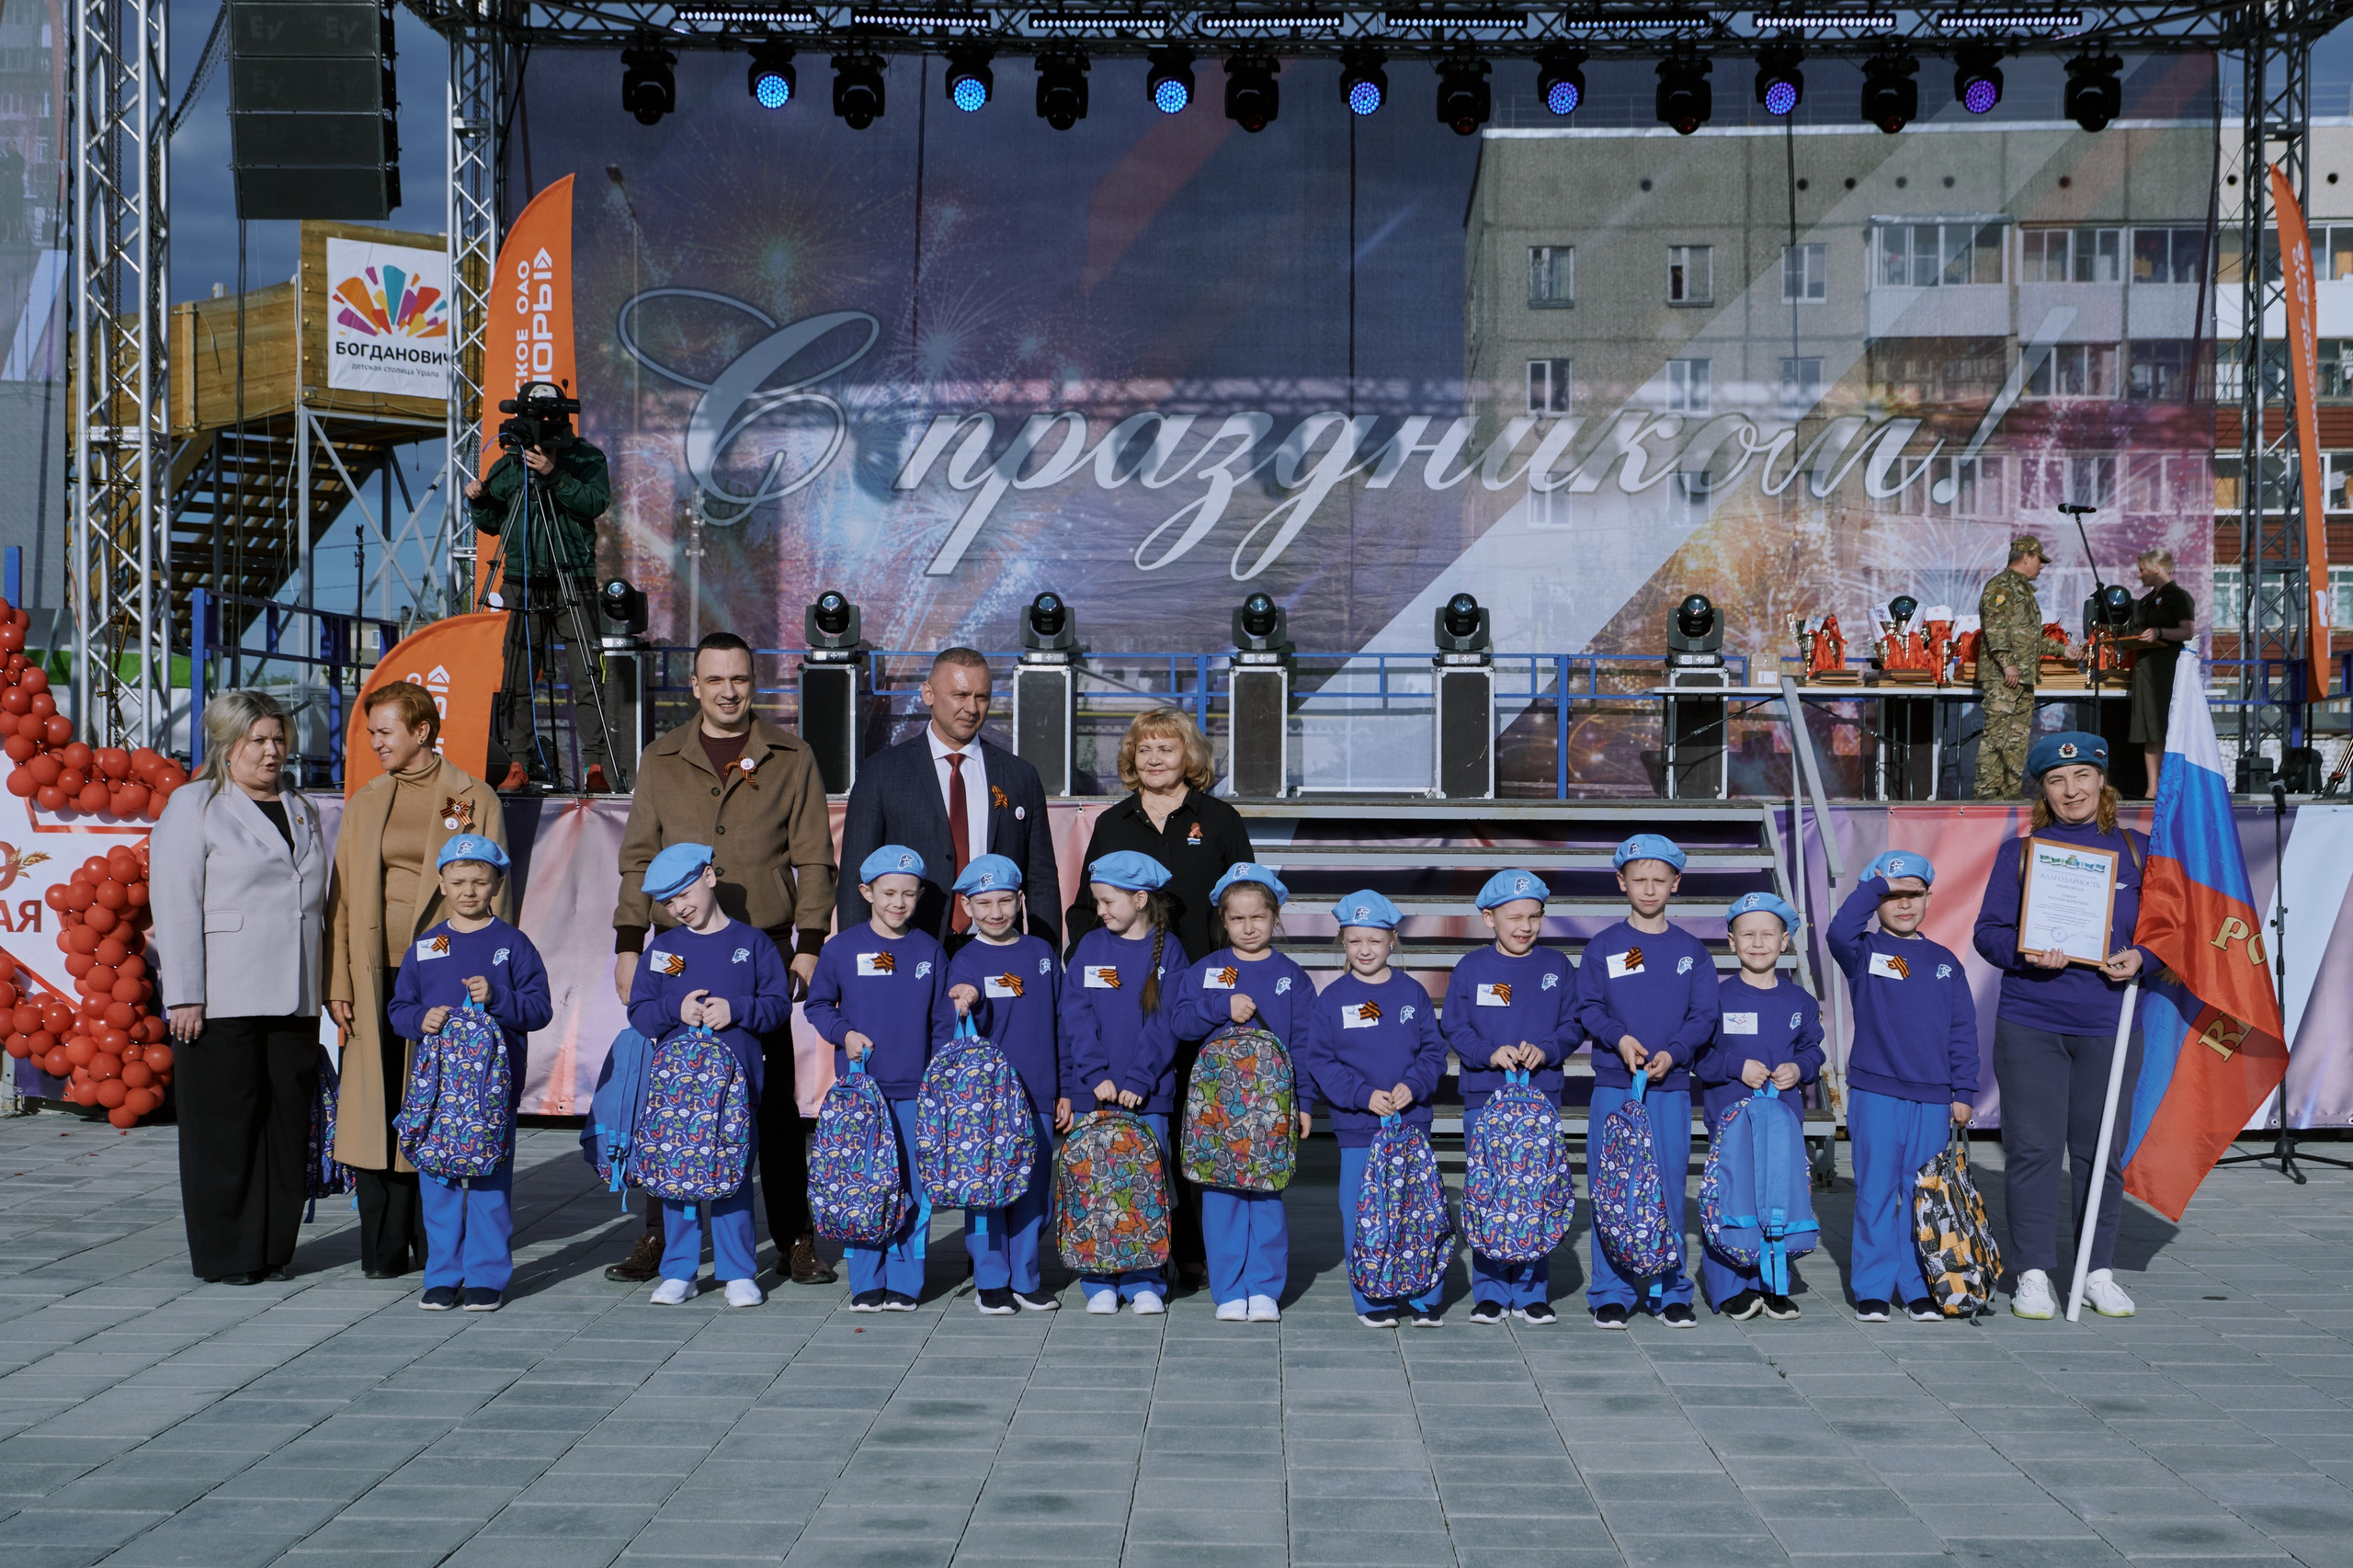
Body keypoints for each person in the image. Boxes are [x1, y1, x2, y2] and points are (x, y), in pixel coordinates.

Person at [611, 631, 837, 1288]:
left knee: (771, 1104)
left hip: (761, 947)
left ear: (754, 683)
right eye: (715, 681)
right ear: (695, 687)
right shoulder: (661, 758)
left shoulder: (792, 757)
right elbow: (636, 860)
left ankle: (795, 1237)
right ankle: (658, 1231)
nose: (729, 692)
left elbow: (815, 857)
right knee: (672, 1096)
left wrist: (810, 947)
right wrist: (629, 943)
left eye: (739, 679)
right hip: (675, 952)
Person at [1063, 706, 1254, 1288]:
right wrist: (1096, 963)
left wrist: (1231, 979)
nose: (1153, 758)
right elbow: (1082, 907)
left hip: (1198, 998)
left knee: (1192, 1128)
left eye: (1166, 749)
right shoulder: (1114, 822)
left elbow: (1243, 905)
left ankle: (1193, 1250)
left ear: (1189, 757)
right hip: (1127, 1003)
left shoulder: (1218, 820)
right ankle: (1133, 1243)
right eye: (1144, 748)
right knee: (1138, 1123)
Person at [325, 680, 508, 1279]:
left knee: (437, 1103)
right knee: (377, 1106)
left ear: (422, 731)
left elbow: (492, 892)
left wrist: (489, 979)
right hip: (374, 971)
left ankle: (440, 1248)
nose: (374, 742)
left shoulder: (467, 798)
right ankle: (382, 1248)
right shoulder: (367, 800)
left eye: (385, 731)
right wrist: (340, 983)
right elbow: (343, 901)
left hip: (445, 972)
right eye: (372, 732)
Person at [1970, 732, 2151, 1322]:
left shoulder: (2141, 850)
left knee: (2103, 1153)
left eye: (2082, 778)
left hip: (2109, 1022)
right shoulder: (2021, 852)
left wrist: (2144, 958)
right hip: (2032, 1021)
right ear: (2043, 790)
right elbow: (1987, 933)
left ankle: (2096, 1270)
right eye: (2056, 779)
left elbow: (2170, 935)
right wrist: (2027, 952)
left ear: (2103, 782)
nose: (2071, 790)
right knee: (2032, 1150)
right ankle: (2033, 1273)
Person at [150, 691, 329, 1286]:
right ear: (228, 747)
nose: (272, 750)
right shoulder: (195, 805)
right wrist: (184, 993)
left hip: (295, 995)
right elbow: (176, 902)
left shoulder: (301, 806)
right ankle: (229, 1253)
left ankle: (274, 1247)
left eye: (279, 739)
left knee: (284, 1125)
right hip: (221, 995)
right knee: (224, 1127)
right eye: (259, 740)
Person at [385, 835, 551, 1312]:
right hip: (434, 1091)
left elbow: (540, 1009)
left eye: (480, 881)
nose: (469, 890)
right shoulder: (427, 944)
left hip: (490, 1093)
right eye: (457, 881)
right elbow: (399, 1008)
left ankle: (487, 1276)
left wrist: (499, 997)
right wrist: (421, 1020)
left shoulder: (512, 944)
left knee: (488, 1184)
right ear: (440, 883)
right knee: (436, 1182)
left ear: (497, 885)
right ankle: (442, 1275)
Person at [628, 843, 795, 1307]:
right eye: (667, 902)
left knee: (734, 1176)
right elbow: (639, 1013)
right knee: (678, 1177)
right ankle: (679, 1271)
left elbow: (778, 1008)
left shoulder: (753, 944)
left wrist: (737, 1009)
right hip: (676, 1095)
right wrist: (673, 1009)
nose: (679, 907)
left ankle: (738, 1271)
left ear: (709, 877)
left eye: (683, 893)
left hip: (737, 1091)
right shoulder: (662, 950)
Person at [1155, 862, 1314, 1324]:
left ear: (1275, 918)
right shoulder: (1207, 970)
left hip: (1271, 1109)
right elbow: (1180, 1022)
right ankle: (1228, 1289)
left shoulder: (1292, 977)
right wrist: (1218, 1006)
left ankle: (1263, 1288)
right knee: (1221, 1196)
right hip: (1216, 1109)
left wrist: (1305, 1102)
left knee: (1266, 1195)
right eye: (1238, 918)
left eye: (1258, 917)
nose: (1249, 927)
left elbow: (1305, 1043)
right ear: (1223, 921)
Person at [1828, 851, 1978, 1324]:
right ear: (1877, 902)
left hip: (1933, 1100)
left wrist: (1964, 1093)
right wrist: (1874, 886)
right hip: (1876, 1094)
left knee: (1923, 1199)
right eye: (1892, 896)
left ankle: (1917, 1286)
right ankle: (1872, 1287)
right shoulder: (1863, 953)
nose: (1904, 903)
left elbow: (1963, 1030)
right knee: (1874, 1193)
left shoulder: (1945, 963)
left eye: (1913, 894)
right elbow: (1838, 931)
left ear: (1929, 898)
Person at [804, 846, 956, 1311]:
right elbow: (817, 1006)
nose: (899, 902)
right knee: (862, 1184)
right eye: (889, 892)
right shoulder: (841, 949)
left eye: (909, 894)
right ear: (866, 892)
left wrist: (941, 1078)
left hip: (915, 1093)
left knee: (913, 1187)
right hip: (861, 1096)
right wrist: (843, 1033)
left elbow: (942, 1022)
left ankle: (906, 1283)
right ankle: (867, 1280)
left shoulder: (930, 950)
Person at [1574, 835, 1715, 1329]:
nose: (1649, 889)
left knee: (1669, 1187)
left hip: (1670, 1089)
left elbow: (1704, 1016)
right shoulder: (1605, 946)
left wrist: (1674, 1054)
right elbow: (1588, 1006)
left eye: (1660, 880)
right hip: (1615, 1086)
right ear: (1621, 883)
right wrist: (1619, 1039)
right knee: (1611, 1187)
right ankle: (1610, 1289)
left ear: (1676, 884)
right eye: (1639, 880)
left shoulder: (1692, 951)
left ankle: (1668, 1288)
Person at [836, 647, 1060, 946]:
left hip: (998, 951)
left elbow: (1041, 879)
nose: (972, 708)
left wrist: (1046, 957)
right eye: (960, 695)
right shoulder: (881, 772)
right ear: (928, 693)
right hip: (908, 948)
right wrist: (854, 956)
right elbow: (857, 873)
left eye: (982, 697)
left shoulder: (1020, 776)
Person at [1296, 891, 1448, 1329]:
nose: (1365, 950)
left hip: (1411, 1127)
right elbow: (1320, 1061)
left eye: (1375, 941)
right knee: (1364, 1214)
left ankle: (1424, 1296)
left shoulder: (1413, 993)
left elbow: (1434, 1054)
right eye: (1355, 941)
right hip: (1359, 1130)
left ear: (1393, 940)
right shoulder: (1331, 999)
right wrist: (1362, 1095)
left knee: (1417, 1212)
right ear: (1342, 942)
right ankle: (1373, 1298)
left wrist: (1413, 1085)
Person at [463, 383, 617, 792]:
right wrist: (478, 499)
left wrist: (554, 474)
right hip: (523, 580)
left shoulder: (585, 457)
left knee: (587, 676)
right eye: (538, 417)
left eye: (552, 417)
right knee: (518, 676)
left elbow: (595, 502)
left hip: (574, 579)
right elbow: (494, 521)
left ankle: (596, 767)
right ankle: (518, 763)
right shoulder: (511, 463)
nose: (545, 425)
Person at [1443, 869, 1576, 1325]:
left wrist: (1549, 1049)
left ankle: (1532, 1290)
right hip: (1485, 1096)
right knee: (1489, 1191)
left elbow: (1574, 1025)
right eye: (1514, 916)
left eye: (1534, 916)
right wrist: (1487, 1053)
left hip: (1541, 1098)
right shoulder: (1470, 969)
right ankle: (1491, 1290)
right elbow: (1455, 1027)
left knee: (1534, 1192)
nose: (1525, 926)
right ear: (1488, 917)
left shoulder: (1557, 967)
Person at [1060, 851, 1189, 1314]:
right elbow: (1075, 1015)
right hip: (1094, 1095)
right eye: (1097, 902)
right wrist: (1095, 1076)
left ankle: (1145, 1277)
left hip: (1147, 1097)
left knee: (1143, 1187)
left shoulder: (1168, 950)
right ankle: (1098, 1278)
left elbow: (1166, 1022)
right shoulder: (1090, 948)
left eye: (1108, 902)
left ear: (1139, 899)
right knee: (1095, 1185)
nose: (1100, 911)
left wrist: (1139, 1078)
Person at [943, 854, 1068, 1315]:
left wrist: (1067, 1090)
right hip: (986, 1104)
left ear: (1019, 901)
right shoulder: (964, 958)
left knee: (1033, 1193)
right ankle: (990, 1279)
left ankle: (1026, 1277)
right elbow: (959, 993)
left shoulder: (1041, 955)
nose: (994, 913)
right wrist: (967, 997)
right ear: (967, 906)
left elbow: (1062, 1022)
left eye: (1003, 902)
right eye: (983, 904)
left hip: (1037, 1093)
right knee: (986, 1192)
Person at [1692, 892, 1823, 1321]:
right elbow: (1700, 1057)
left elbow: (1814, 1052)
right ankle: (1730, 1286)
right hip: (1731, 1121)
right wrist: (1735, 1066)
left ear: (1785, 941)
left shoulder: (1799, 1002)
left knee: (1778, 1195)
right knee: (1732, 1197)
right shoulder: (1714, 999)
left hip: (1782, 1121)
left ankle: (1773, 1282)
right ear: (1731, 942)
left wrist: (1798, 1068)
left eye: (1769, 934)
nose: (1758, 942)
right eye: (1747, 934)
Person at [1973, 535, 2073, 800]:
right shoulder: (2002, 586)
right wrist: (2007, 664)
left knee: (2016, 739)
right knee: (1996, 736)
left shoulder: (2023, 590)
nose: (2041, 566)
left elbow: (2029, 636)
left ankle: (2009, 792)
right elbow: (1995, 629)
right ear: (2026, 557)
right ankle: (1985, 794)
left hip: (2024, 676)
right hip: (2003, 676)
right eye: (2039, 560)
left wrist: (2063, 650)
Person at [2128, 551, 2197, 797]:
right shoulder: (2146, 600)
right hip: (2145, 668)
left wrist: (2159, 633)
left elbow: (2187, 631)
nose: (2140, 574)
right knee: (2150, 730)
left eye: (2143, 569)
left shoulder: (2179, 597)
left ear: (2157, 567)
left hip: (2167, 669)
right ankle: (2152, 789)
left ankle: (2173, 786)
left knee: (2169, 727)